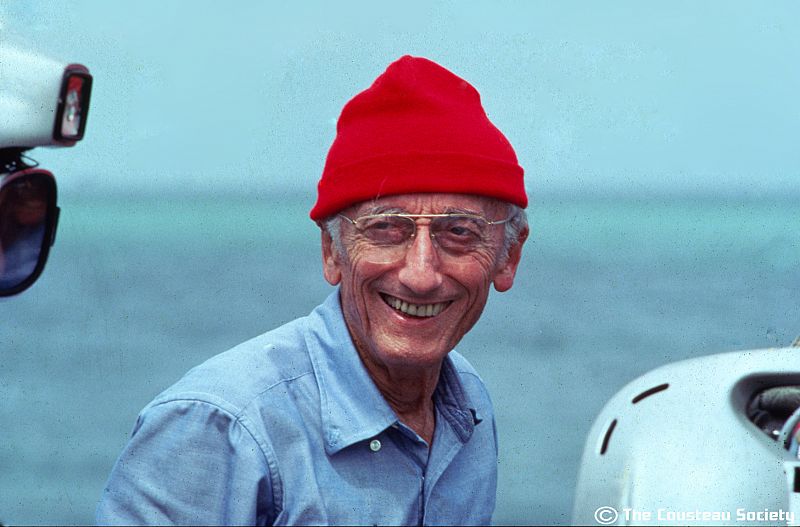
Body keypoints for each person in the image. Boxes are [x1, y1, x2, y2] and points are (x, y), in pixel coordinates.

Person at [96, 55, 529, 525]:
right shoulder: (223, 427)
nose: (420, 274)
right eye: (387, 229)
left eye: (459, 233)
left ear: (508, 256)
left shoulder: (467, 406)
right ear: (332, 252)